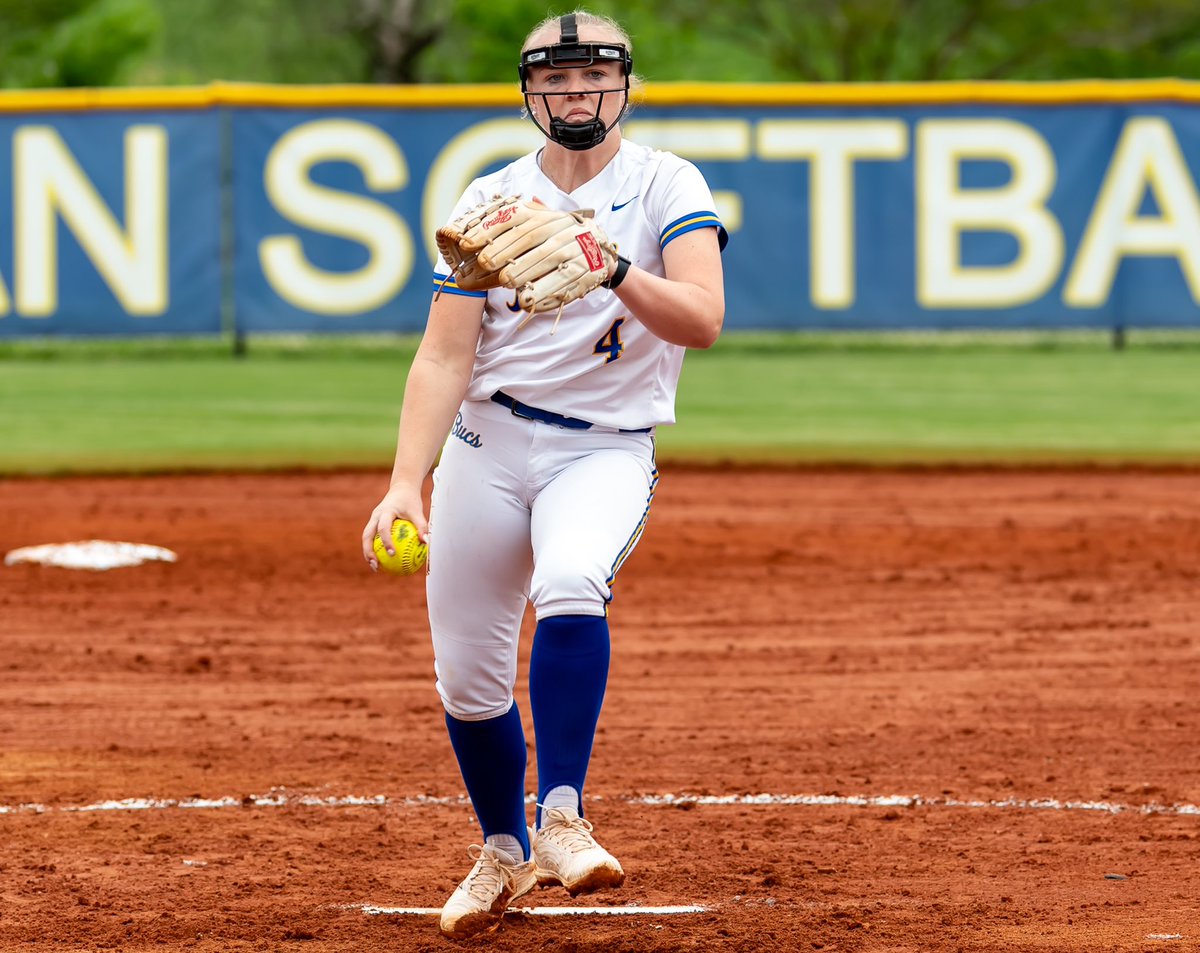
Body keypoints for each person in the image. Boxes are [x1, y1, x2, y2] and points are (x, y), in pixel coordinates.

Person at [361, 8, 727, 940]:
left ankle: (561, 815)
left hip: (603, 445)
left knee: (571, 583)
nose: (576, 93)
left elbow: (702, 318)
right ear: (530, 92)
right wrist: (406, 482)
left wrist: (614, 273)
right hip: (487, 445)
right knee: (467, 677)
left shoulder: (665, 184)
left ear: (626, 86)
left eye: (593, 76)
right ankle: (503, 848)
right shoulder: (492, 196)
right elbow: (443, 357)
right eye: (556, 79)